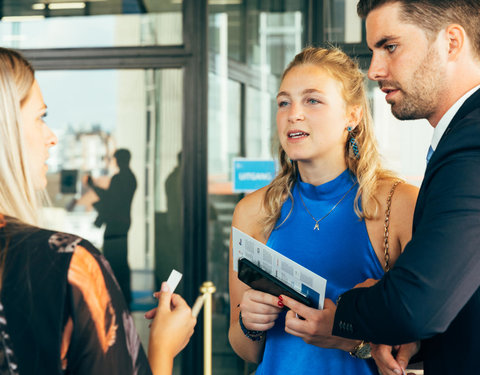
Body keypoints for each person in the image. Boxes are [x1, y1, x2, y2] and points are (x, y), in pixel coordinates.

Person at [280, 1, 480, 375]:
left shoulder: (472, 142)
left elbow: (417, 304)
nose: (373, 70)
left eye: (390, 46)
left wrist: (347, 310)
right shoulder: (460, 138)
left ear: (451, 42)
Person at [0, 47, 196, 375]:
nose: (51, 137)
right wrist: (162, 350)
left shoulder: (125, 181)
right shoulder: (70, 264)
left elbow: (112, 203)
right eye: (40, 117)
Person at [228, 46, 418, 374]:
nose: (293, 114)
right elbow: (248, 351)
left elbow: (429, 339)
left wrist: (350, 338)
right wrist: (249, 322)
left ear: (353, 115)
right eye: (284, 102)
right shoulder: (253, 211)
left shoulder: (398, 205)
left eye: (312, 100)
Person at [88, 148, 137, 306]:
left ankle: (117, 295)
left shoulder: (120, 178)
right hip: (122, 223)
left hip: (116, 224)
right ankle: (123, 295)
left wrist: (93, 186)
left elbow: (110, 200)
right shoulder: (130, 177)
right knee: (120, 259)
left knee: (114, 259)